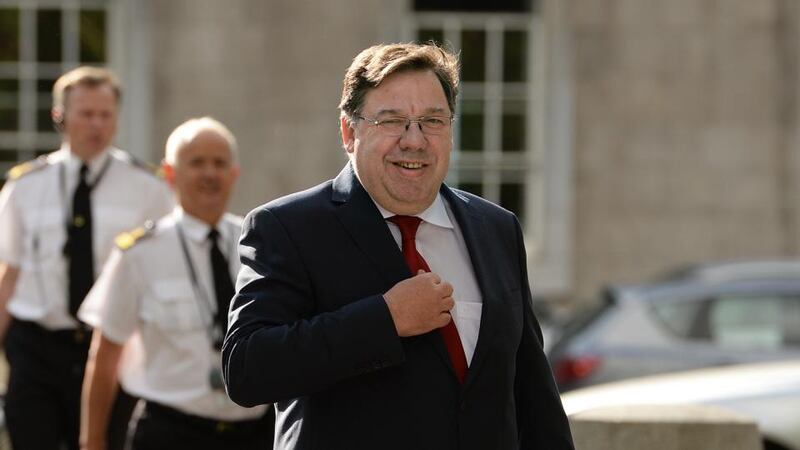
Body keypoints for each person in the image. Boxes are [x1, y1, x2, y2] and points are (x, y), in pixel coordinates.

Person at [222, 43, 574, 450]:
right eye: (392, 121)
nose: (415, 141)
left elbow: (533, 394)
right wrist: (385, 320)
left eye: (432, 120)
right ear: (349, 132)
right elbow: (247, 369)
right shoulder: (287, 227)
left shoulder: (496, 229)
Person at [0, 66, 173, 450]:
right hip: (37, 349)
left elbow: (162, 272)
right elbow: (9, 274)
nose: (96, 124)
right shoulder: (24, 186)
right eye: (86, 114)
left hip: (112, 349)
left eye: (105, 114)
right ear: (60, 116)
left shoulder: (147, 187)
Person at [79, 117, 274, 450]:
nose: (210, 173)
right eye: (196, 163)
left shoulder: (261, 244)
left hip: (256, 433)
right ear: (170, 174)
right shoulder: (138, 254)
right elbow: (105, 355)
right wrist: (92, 440)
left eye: (219, 163)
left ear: (234, 174)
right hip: (171, 432)